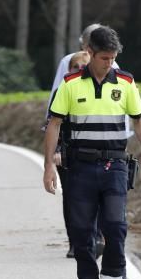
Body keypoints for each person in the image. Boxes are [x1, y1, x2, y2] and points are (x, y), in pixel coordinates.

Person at [43, 25, 141, 279]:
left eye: (113, 57)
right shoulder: (69, 84)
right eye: (105, 58)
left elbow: (139, 119)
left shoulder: (126, 83)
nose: (110, 63)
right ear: (90, 53)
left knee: (116, 229)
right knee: (82, 235)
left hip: (115, 166)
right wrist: (48, 167)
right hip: (79, 168)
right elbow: (54, 124)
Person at [52, 51, 90, 258]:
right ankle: (74, 242)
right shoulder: (63, 90)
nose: (79, 70)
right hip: (66, 154)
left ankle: (93, 238)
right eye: (75, 67)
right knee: (72, 199)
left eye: (83, 67)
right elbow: (52, 124)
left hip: (92, 154)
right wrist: (57, 150)